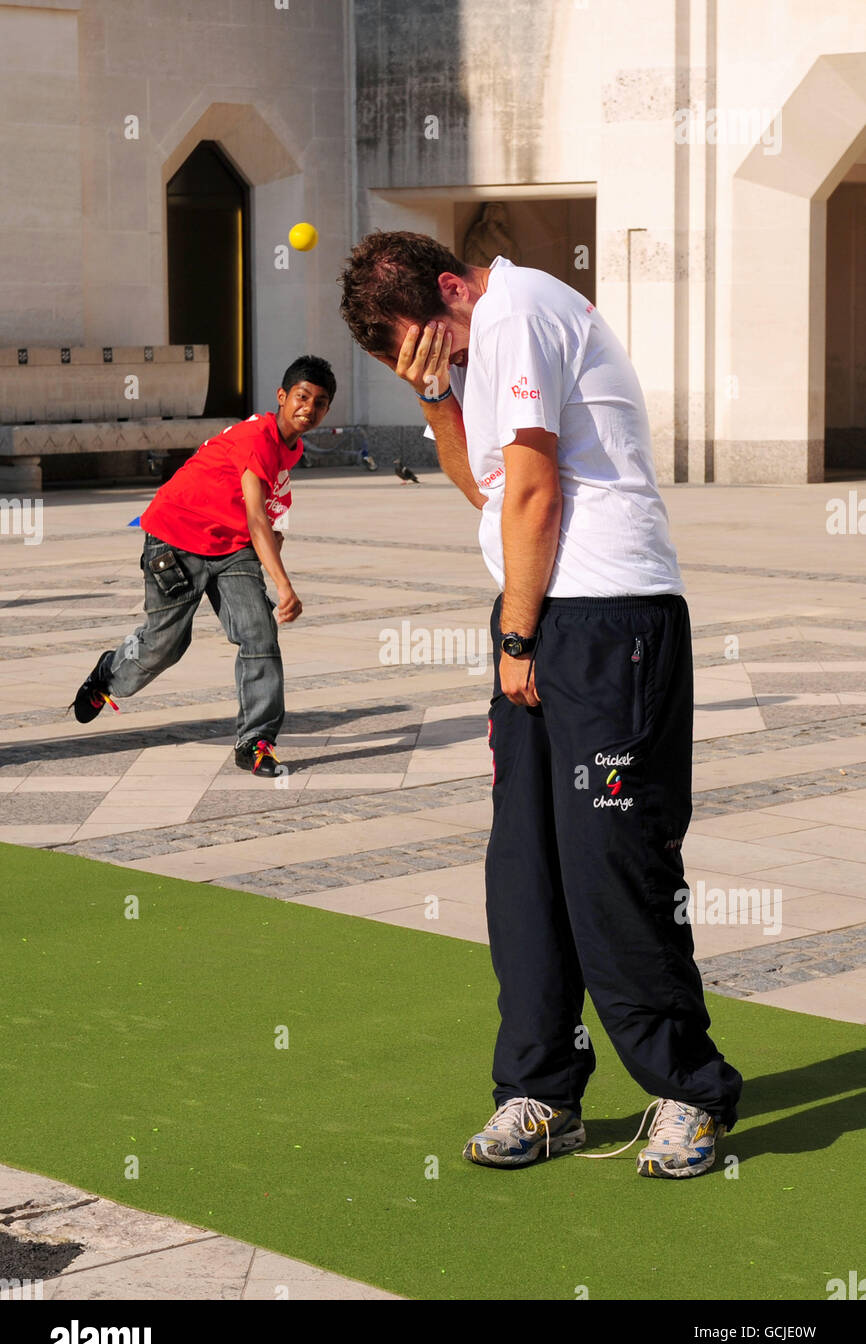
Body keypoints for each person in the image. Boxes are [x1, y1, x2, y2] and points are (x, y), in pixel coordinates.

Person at [339, 232, 742, 1178]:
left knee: (616, 860)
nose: (435, 360)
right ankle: (542, 1090)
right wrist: (433, 394)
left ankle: (690, 1091)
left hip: (607, 619)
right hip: (543, 614)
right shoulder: (482, 344)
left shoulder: (518, 310)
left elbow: (534, 490)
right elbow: (481, 489)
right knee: (524, 865)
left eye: (425, 341)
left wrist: (517, 636)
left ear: (452, 287)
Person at [70, 356, 336, 777]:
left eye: (321, 402)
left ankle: (256, 742)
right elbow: (256, 516)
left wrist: (271, 543)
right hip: (175, 537)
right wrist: (284, 585)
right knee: (165, 645)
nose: (310, 408)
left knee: (259, 634)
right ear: (282, 397)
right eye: (302, 397)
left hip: (230, 548)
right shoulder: (256, 437)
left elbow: (264, 511)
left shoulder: (291, 446)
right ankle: (108, 675)